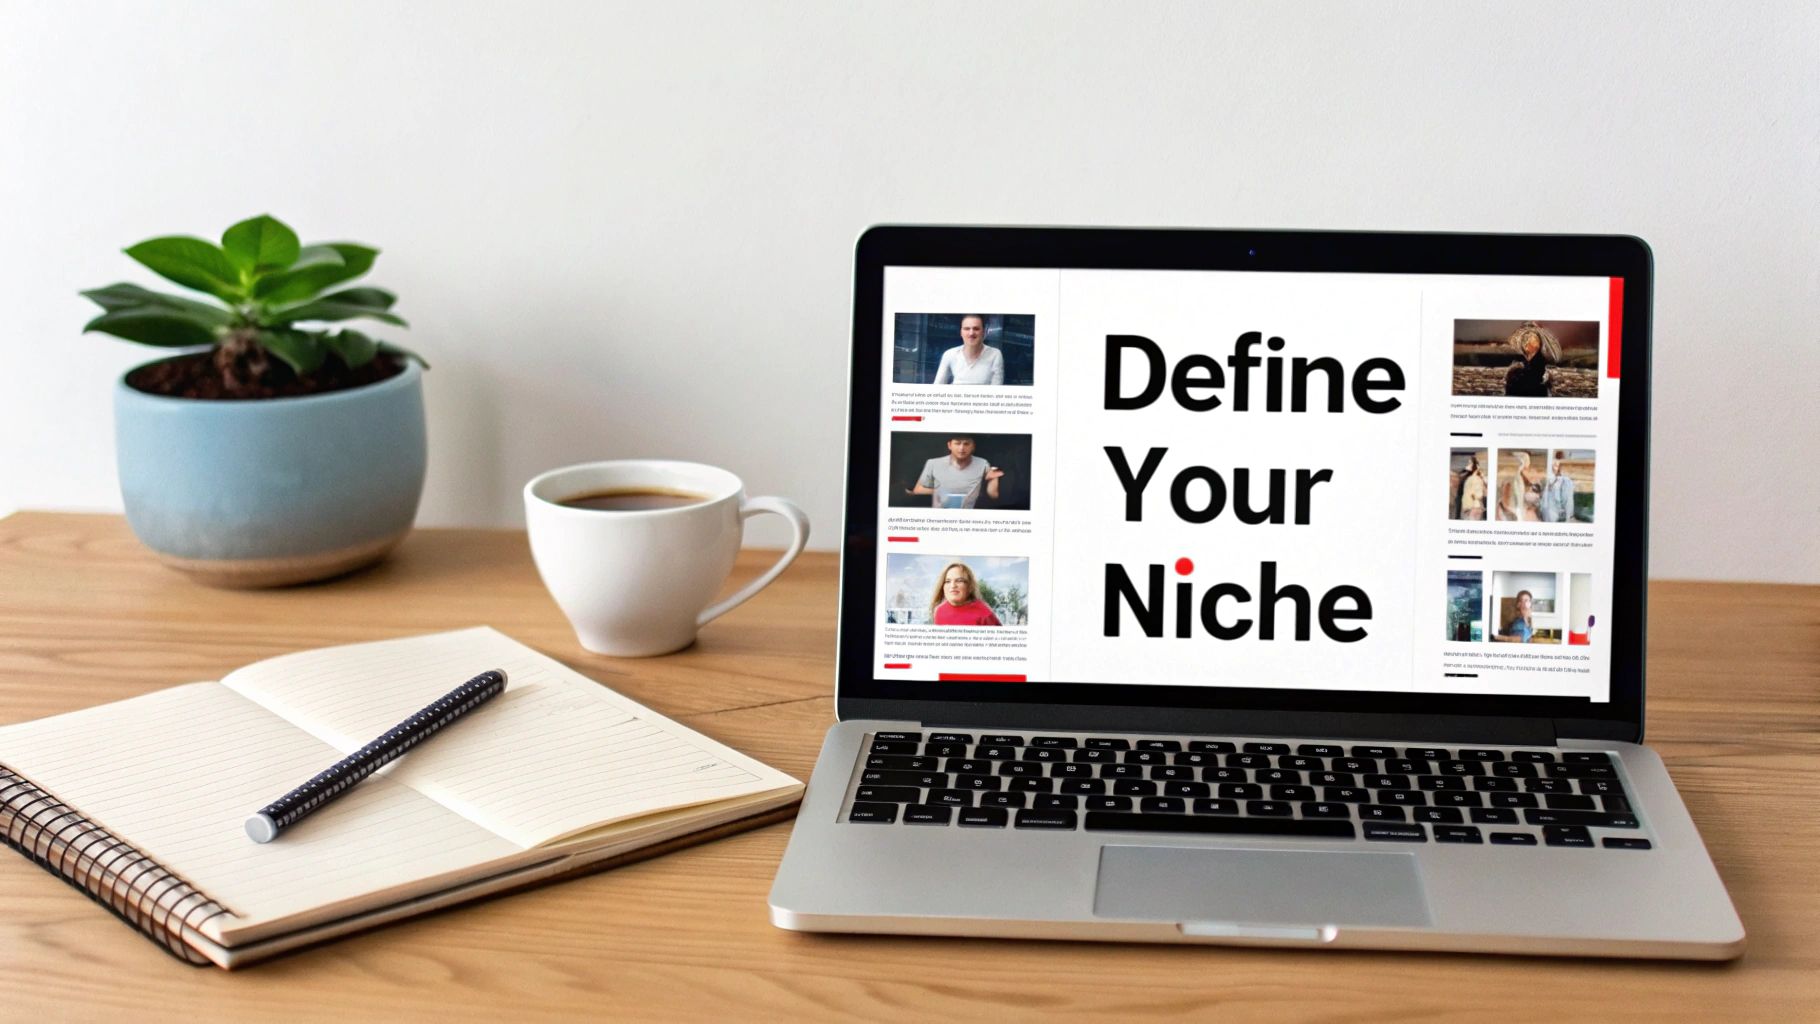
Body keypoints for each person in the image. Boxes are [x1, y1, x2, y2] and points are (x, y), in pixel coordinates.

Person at [907, 435, 1005, 509]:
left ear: (973, 446)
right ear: (949, 445)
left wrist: (994, 478)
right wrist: (943, 491)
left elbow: (993, 495)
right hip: (939, 516)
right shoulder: (933, 463)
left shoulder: (983, 463)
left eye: (966, 444)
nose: (961, 448)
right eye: (957, 443)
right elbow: (918, 490)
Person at [931, 315, 1005, 385]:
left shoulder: (995, 355)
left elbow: (996, 390)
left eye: (976, 329)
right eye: (967, 329)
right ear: (961, 332)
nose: (971, 333)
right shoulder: (949, 354)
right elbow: (937, 387)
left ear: (983, 332)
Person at [927, 562, 1002, 626]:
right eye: (948, 581)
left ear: (969, 586)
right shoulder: (939, 611)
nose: (953, 585)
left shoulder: (984, 614)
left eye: (959, 581)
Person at [1503, 321, 1561, 398]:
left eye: (1531, 338)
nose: (1526, 342)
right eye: (1525, 339)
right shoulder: (1519, 369)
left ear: (1539, 343)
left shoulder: (1540, 363)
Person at [1497, 451, 1541, 522]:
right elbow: (1509, 501)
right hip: (1512, 509)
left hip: (1516, 508)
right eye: (1526, 468)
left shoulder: (1520, 478)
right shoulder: (1514, 479)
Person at [1541, 451, 1578, 523]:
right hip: (1550, 511)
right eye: (1554, 465)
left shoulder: (1565, 481)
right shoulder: (1552, 479)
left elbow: (1567, 501)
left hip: (1553, 512)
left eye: (1556, 465)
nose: (1554, 467)